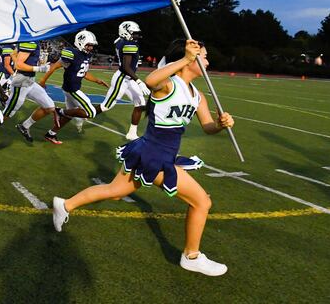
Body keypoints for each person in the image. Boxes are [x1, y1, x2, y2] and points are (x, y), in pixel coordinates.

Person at [52, 39, 234, 277]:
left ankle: (64, 204)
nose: (208, 62)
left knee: (115, 190)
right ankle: (191, 256)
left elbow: (208, 126)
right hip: (154, 155)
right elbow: (150, 81)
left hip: (156, 152)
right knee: (201, 202)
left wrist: (220, 125)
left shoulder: (198, 95)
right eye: (204, 56)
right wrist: (186, 59)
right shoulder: (168, 85)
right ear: (189, 59)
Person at [38, 30, 108, 144]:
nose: (90, 48)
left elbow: (84, 73)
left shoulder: (85, 55)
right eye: (88, 45)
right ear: (80, 42)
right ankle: (59, 111)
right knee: (91, 112)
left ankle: (51, 134)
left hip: (70, 89)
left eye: (91, 45)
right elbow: (54, 66)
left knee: (69, 115)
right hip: (72, 90)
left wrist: (97, 80)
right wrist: (42, 80)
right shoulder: (72, 54)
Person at [100, 21, 150, 140]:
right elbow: (126, 67)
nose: (137, 36)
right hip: (122, 78)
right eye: (135, 34)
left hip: (129, 78)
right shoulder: (129, 45)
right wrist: (139, 81)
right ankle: (73, 113)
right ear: (126, 33)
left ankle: (132, 133)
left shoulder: (120, 42)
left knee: (140, 103)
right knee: (106, 107)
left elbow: (118, 43)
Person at [1, 39, 57, 142]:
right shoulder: (30, 41)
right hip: (21, 83)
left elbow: (13, 54)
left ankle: (24, 126)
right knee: (8, 113)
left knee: (49, 106)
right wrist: (39, 69)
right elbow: (18, 65)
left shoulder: (31, 40)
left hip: (30, 82)